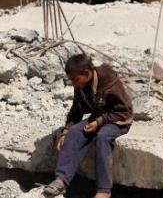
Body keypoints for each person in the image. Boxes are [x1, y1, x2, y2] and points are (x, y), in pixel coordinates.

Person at [43, 54, 133, 197]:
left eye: (75, 79)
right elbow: (76, 110)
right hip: (98, 117)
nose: (73, 83)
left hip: (118, 119)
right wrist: (66, 131)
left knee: (103, 136)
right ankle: (61, 180)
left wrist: (99, 122)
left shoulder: (108, 79)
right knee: (74, 132)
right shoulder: (81, 83)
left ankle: (104, 191)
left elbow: (124, 110)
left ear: (86, 73)